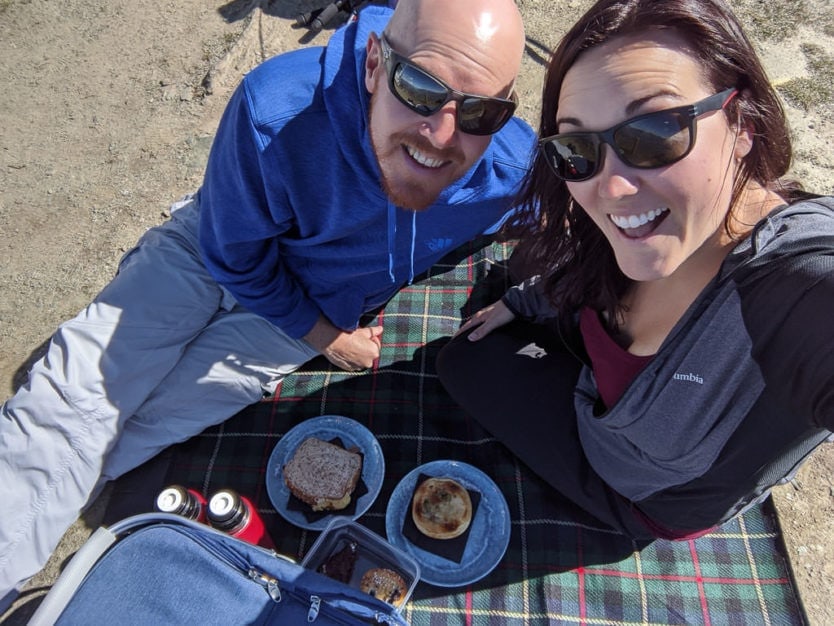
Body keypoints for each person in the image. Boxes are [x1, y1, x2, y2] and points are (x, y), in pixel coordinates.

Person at [0, 0, 532, 607]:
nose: (441, 134)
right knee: (66, 408)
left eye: (481, 110)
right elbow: (232, 257)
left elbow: (596, 219)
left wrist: (530, 298)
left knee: (135, 434)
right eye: (418, 88)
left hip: (296, 313)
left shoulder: (509, 171)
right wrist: (327, 337)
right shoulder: (275, 107)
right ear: (375, 63)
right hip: (214, 253)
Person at [437, 0, 833, 541]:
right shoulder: (634, 225)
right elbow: (575, 260)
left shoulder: (799, 291)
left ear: (743, 123)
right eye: (576, 148)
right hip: (596, 378)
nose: (612, 188)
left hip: (633, 488)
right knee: (526, 264)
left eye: (653, 134)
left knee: (463, 361)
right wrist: (520, 301)